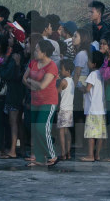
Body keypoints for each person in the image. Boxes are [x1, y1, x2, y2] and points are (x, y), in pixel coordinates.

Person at [23, 39, 59, 167]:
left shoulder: (52, 66)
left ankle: (52, 155)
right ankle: (39, 158)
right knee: (35, 129)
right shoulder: (33, 63)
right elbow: (24, 78)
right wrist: (33, 85)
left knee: (41, 128)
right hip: (35, 100)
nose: (35, 51)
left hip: (48, 101)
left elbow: (43, 85)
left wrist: (31, 83)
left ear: (44, 53)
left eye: (37, 50)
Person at [81, 51, 108, 161]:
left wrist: (81, 88)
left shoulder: (92, 74)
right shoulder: (101, 74)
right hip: (101, 108)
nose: (87, 62)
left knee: (91, 134)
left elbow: (87, 89)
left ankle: (90, 155)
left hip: (92, 109)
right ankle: (97, 155)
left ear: (94, 64)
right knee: (100, 134)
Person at [56, 59, 76, 161]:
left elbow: (57, 92)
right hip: (70, 109)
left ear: (67, 71)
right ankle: (68, 153)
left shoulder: (63, 81)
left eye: (62, 69)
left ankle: (63, 153)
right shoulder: (72, 81)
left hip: (63, 109)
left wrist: (57, 80)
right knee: (67, 131)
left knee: (61, 132)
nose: (60, 70)